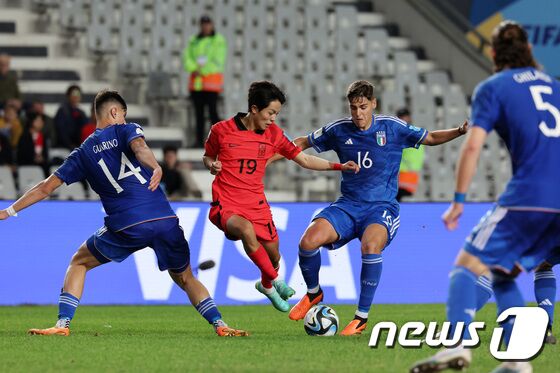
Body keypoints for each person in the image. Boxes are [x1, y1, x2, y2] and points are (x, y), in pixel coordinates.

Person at [0, 89, 247, 338]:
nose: (125, 121)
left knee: (79, 261)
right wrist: (155, 167)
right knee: (185, 277)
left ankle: (62, 325)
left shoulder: (81, 154)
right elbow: (139, 147)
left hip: (126, 225)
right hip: (164, 219)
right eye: (124, 116)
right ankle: (220, 324)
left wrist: (8, 211)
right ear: (114, 112)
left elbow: (45, 188)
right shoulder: (126, 130)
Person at [410, 21, 560, 373]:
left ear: (493, 53)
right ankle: (517, 359)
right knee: (502, 274)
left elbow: (474, 145)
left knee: (467, 265)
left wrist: (459, 199)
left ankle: (456, 345)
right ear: (529, 52)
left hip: (530, 197)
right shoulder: (555, 87)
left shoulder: (494, 87)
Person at [284, 80, 468, 335]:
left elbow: (432, 137)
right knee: (307, 242)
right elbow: (303, 142)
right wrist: (275, 150)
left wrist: (459, 130)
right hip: (348, 205)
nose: (358, 113)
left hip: (381, 208)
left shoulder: (392, 128)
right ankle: (314, 294)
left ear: (373, 104)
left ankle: (361, 318)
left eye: (362, 106)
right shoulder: (339, 130)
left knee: (370, 246)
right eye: (353, 108)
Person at [203, 81, 359, 312]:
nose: (273, 118)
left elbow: (305, 160)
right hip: (227, 202)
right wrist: (212, 165)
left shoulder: (274, 135)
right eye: (270, 112)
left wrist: (339, 167)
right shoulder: (221, 130)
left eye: (276, 113)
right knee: (246, 230)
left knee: (274, 255)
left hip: (256, 203)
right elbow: (207, 156)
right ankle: (275, 280)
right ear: (254, 109)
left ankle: (266, 285)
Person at [183, 15, 227, 148]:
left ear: (212, 25)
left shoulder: (218, 40)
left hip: (211, 85)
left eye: (208, 24)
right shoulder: (194, 40)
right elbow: (187, 58)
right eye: (203, 24)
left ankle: (219, 141)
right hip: (197, 85)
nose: (206, 27)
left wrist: (200, 70)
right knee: (199, 115)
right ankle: (198, 141)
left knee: (213, 114)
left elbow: (218, 61)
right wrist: (194, 68)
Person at [395, 108, 425, 201]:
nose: (403, 119)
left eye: (404, 116)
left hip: (405, 175)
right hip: (401, 175)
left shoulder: (405, 133)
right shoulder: (416, 132)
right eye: (400, 117)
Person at [54, 85, 88, 150]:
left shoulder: (81, 113)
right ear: (68, 96)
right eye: (73, 95)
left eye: (78, 95)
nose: (76, 97)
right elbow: (61, 132)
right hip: (65, 148)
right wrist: (70, 146)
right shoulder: (62, 111)